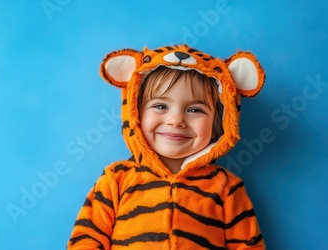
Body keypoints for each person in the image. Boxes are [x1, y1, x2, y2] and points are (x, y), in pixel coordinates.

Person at [67, 44, 266, 249]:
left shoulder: (227, 187)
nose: (176, 120)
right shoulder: (116, 180)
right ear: (135, 113)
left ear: (220, 122)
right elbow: (86, 240)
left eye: (195, 109)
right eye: (160, 106)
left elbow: (248, 245)